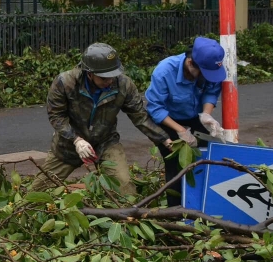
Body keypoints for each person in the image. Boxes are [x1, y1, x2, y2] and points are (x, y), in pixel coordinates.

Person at [32, 42, 172, 195]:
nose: (110, 81)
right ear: (89, 73)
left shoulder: (124, 85)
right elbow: (56, 116)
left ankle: (126, 216)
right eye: (104, 78)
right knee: (37, 192)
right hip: (68, 145)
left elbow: (140, 117)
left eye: (113, 75)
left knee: (126, 190)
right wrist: (76, 140)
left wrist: (164, 139)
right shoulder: (65, 83)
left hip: (106, 142)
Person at [145, 36, 226, 200]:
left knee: (207, 154)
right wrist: (181, 131)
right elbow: (155, 108)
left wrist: (206, 114)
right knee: (175, 163)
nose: (207, 77)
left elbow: (212, 91)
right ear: (190, 63)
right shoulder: (164, 71)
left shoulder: (210, 68)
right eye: (204, 73)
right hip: (168, 120)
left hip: (195, 116)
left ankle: (201, 202)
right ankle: (174, 211)